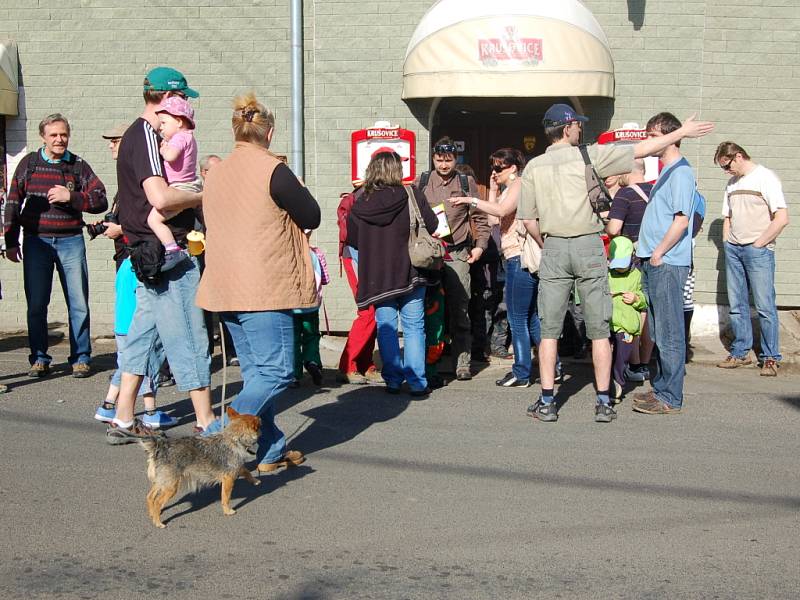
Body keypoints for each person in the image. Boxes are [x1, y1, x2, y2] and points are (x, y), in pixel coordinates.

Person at [517, 103, 713, 423]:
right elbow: (642, 148)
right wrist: (681, 132)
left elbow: (527, 219)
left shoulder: (534, 167)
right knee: (599, 330)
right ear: (567, 129)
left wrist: (546, 244)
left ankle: (548, 400)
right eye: (577, 124)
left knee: (549, 330)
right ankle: (604, 401)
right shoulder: (588, 155)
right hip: (589, 247)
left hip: (553, 246)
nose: (581, 128)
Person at [197, 91, 319, 473]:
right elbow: (311, 214)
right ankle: (212, 435)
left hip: (224, 287)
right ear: (269, 133)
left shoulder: (216, 173)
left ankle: (269, 450)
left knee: (256, 374)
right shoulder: (273, 170)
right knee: (278, 372)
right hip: (263, 286)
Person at [107, 66, 215, 444]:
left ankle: (121, 416)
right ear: (166, 98)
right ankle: (206, 421)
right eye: (183, 97)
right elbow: (161, 197)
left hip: (144, 253)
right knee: (188, 335)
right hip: (170, 255)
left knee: (143, 337)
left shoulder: (140, 136)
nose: (185, 104)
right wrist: (204, 194)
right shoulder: (148, 138)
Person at [3, 113, 108, 378]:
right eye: (54, 135)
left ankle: (81, 358)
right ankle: (39, 358)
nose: (59, 139)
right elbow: (13, 202)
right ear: (43, 137)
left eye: (63, 134)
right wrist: (11, 240)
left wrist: (70, 196)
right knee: (37, 304)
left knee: (79, 303)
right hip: (36, 242)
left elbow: (100, 199)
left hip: (71, 240)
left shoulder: (78, 166)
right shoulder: (30, 164)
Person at [93, 124, 175, 428]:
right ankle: (129, 410)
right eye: (112, 142)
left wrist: (122, 231)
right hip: (133, 266)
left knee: (138, 346)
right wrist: (116, 229)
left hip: (137, 262)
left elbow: (141, 222)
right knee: (140, 345)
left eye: (118, 141)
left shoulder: (141, 179)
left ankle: (118, 406)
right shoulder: (129, 182)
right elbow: (141, 224)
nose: (114, 147)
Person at [451, 148, 554, 389]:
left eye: (498, 168)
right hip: (515, 258)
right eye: (492, 167)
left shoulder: (519, 184)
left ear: (513, 168)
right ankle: (554, 366)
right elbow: (493, 220)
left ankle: (521, 372)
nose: (494, 172)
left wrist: (470, 199)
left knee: (517, 318)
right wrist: (495, 190)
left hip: (518, 257)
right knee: (529, 318)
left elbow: (499, 212)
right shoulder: (511, 188)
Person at [632, 112, 711, 415]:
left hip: (666, 262)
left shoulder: (681, 173)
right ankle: (661, 388)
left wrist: (659, 252)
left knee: (669, 332)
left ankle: (670, 397)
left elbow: (681, 220)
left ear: (668, 137)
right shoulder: (667, 170)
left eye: (651, 135)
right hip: (656, 260)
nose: (648, 141)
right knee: (659, 328)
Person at [348, 151, 438, 396]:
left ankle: (393, 380)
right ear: (397, 170)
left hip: (377, 277)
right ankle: (418, 381)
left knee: (386, 326)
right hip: (411, 271)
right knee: (414, 326)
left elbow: (353, 239)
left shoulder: (361, 201)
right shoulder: (411, 194)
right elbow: (433, 225)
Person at [416, 137, 490, 381]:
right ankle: (427, 363)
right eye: (439, 160)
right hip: (429, 253)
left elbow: (479, 217)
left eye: (448, 160)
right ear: (433, 158)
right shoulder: (423, 181)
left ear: (455, 160)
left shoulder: (466, 182)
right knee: (428, 309)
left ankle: (462, 363)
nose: (444, 165)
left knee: (461, 309)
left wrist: (480, 246)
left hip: (457, 252)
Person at [714, 142, 789, 376]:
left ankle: (770, 357)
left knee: (765, 305)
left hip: (758, 251)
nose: (726, 171)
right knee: (737, 305)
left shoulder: (766, 178)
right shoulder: (732, 184)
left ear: (737, 156)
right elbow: (728, 216)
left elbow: (782, 217)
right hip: (734, 249)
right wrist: (727, 242)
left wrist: (759, 243)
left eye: (727, 166)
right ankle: (740, 352)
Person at [606, 158, 654, 381]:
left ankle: (633, 365)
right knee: (647, 306)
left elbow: (614, 229)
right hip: (657, 256)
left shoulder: (624, 195)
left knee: (632, 308)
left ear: (626, 171)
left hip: (633, 258)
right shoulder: (657, 190)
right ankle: (646, 363)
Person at [148, 95, 200, 271]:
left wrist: (163, 150)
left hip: (180, 187)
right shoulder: (189, 137)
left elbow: (171, 156)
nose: (160, 128)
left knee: (153, 220)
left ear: (178, 121)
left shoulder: (179, 138)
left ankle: (171, 249)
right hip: (190, 184)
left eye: (163, 123)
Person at [607, 236, 647, 400]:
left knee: (621, 358)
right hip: (609, 323)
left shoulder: (638, 275)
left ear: (632, 257)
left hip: (627, 326)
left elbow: (645, 300)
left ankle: (618, 383)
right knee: (609, 356)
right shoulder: (607, 274)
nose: (619, 269)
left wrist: (636, 299)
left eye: (622, 265)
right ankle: (609, 382)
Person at [291, 231, 329, 387]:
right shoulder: (316, 253)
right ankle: (312, 360)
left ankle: (294, 374)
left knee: (292, 340)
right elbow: (325, 279)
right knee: (311, 335)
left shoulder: (288, 253)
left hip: (291, 306)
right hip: (312, 305)